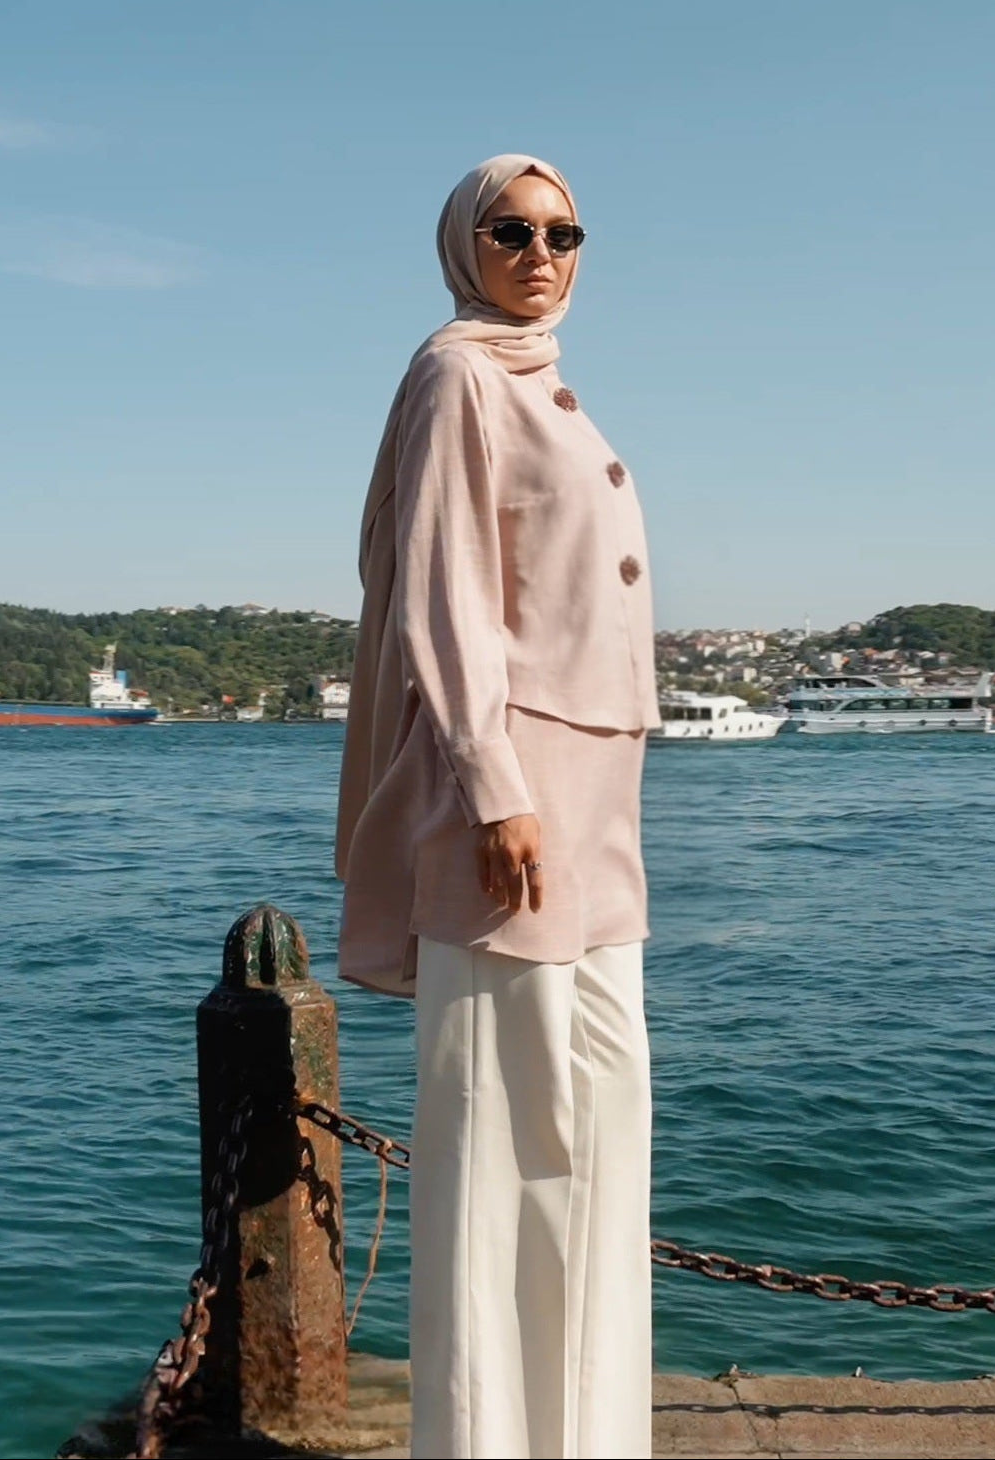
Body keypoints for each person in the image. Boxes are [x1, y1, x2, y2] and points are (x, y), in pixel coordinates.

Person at [334, 155, 660, 1460]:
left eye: (563, 228)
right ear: (461, 244)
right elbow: (443, 590)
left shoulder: (543, 382)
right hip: (512, 804)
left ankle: (591, 1437)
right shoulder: (458, 373)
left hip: (599, 806)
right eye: (509, 229)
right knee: (504, 1144)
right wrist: (492, 785)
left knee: (597, 1129)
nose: (540, 248)